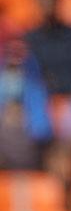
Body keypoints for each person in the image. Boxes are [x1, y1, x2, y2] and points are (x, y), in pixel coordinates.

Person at [0, 33, 53, 170]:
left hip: (28, 156)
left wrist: (22, 118)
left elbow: (42, 131)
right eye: (10, 53)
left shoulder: (36, 90)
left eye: (19, 53)